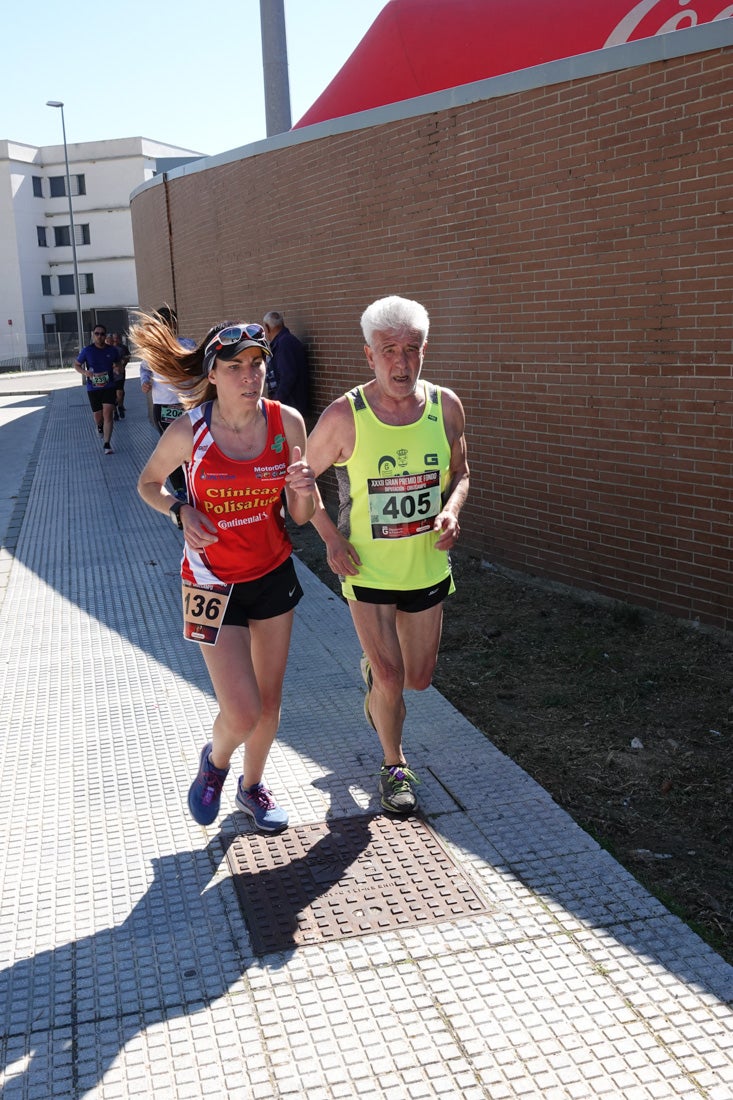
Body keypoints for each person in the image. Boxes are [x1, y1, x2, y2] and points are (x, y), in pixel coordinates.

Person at [134, 315, 317, 832]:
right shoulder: (189, 430)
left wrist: (303, 487)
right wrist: (179, 511)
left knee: (270, 705)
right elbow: (148, 484)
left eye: (257, 364)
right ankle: (215, 765)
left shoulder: (287, 424)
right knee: (241, 710)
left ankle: (252, 787)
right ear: (213, 374)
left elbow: (300, 517)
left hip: (272, 572)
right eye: (235, 366)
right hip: (211, 581)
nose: (249, 375)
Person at [306, 295, 469, 815]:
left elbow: (462, 474)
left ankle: (375, 679)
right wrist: (331, 538)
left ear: (424, 352)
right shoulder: (342, 416)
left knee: (417, 678)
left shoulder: (446, 407)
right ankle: (394, 766)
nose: (401, 362)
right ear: (368, 355)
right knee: (393, 677)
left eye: (411, 350)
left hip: (425, 567)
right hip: (367, 570)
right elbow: (301, 487)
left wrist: (451, 510)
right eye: (388, 350)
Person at [139, 306, 196, 500]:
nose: (166, 327)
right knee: (170, 447)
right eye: (161, 323)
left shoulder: (188, 345)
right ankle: (179, 488)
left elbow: (200, 368)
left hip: (186, 404)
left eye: (168, 323)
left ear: (174, 324)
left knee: (191, 445)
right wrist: (144, 382)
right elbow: (144, 369)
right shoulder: (153, 349)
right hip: (163, 405)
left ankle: (192, 484)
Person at [74, 323, 121, 454]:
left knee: (108, 414)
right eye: (97, 334)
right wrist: (85, 373)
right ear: (93, 335)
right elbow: (77, 365)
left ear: (105, 336)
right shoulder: (87, 350)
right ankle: (99, 426)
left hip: (109, 386)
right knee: (98, 416)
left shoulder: (112, 350)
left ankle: (107, 444)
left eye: (102, 334)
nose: (99, 336)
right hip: (93, 387)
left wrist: (118, 368)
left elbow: (118, 363)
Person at [262, 311, 309, 416]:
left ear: (267, 327)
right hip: (291, 405)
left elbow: (288, 377)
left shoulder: (284, 344)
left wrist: (276, 402)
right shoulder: (285, 342)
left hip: (290, 406)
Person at [109, 333, 131, 420]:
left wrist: (122, 364)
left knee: (120, 393)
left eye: (115, 339)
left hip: (119, 374)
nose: (114, 341)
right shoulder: (104, 351)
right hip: (110, 376)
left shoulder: (121, 349)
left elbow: (126, 357)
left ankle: (120, 406)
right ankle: (115, 412)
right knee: (112, 395)